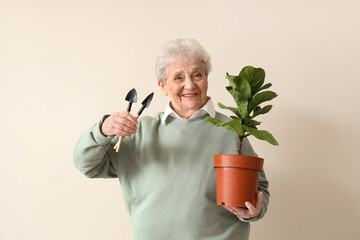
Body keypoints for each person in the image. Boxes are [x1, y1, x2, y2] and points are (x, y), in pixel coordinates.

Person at [74, 39, 269, 240]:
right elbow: (87, 164)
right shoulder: (137, 132)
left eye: (197, 75)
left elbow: (260, 189)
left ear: (207, 79)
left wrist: (255, 210)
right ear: (163, 86)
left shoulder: (233, 131)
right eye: (178, 78)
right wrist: (103, 129)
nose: (190, 84)